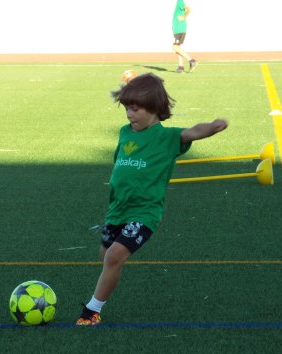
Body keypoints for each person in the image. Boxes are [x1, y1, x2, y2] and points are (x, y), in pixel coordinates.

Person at [76, 73, 228, 326]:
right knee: (106, 256)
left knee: (114, 256)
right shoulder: (125, 133)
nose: (129, 115)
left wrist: (212, 127)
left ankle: (92, 310)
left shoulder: (167, 138)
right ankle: (105, 287)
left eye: (135, 109)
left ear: (154, 108)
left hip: (144, 213)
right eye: (126, 109)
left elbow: (193, 132)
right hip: (117, 210)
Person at [172, 0, 197, 73]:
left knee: (174, 47)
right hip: (178, 29)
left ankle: (192, 61)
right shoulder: (180, 2)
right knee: (177, 48)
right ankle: (181, 67)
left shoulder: (179, 1)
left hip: (179, 29)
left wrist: (184, 16)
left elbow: (189, 8)